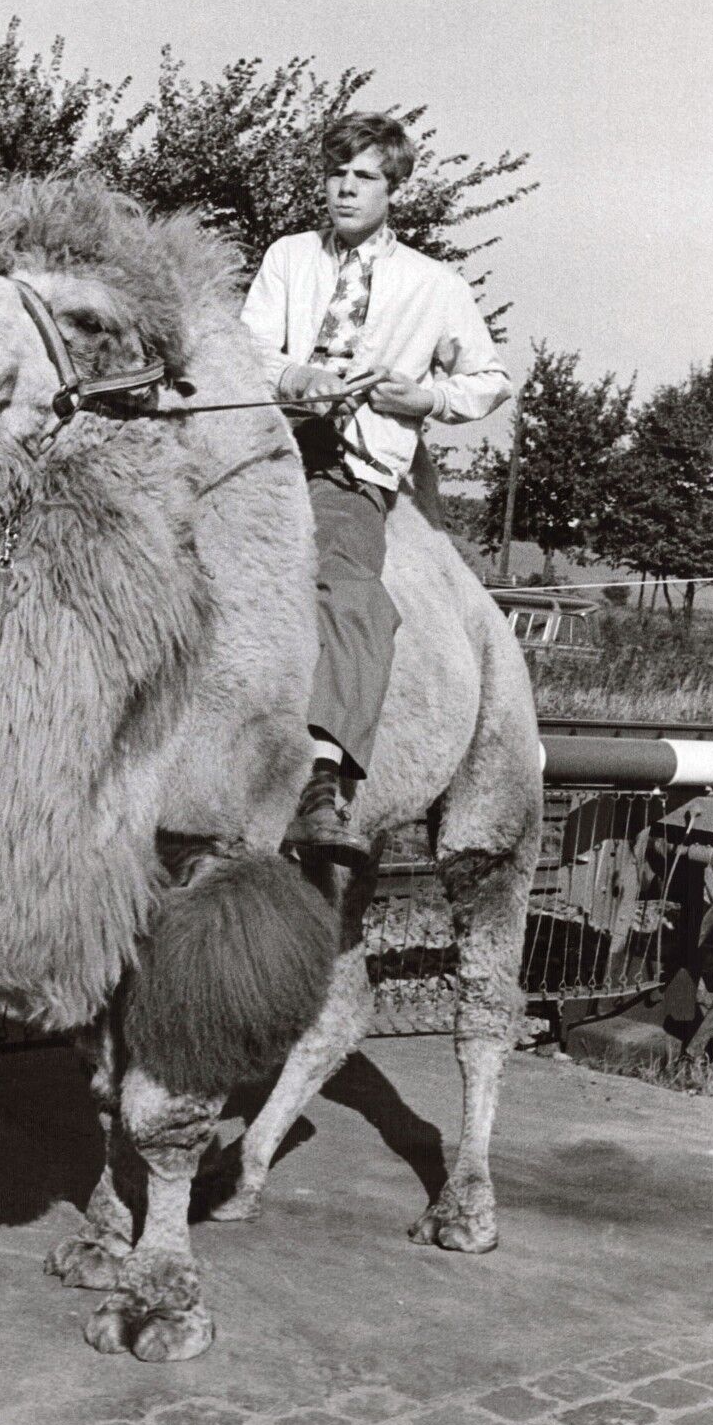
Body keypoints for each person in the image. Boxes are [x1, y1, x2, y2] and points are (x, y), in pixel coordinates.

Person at [240, 111, 513, 865]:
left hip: (347, 465)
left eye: (363, 176)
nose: (345, 188)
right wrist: (296, 375)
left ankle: (322, 781)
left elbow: (489, 380)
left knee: (350, 590)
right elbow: (248, 346)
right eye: (336, 174)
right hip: (260, 450)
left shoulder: (435, 284)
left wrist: (422, 401)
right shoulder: (288, 257)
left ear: (394, 188)